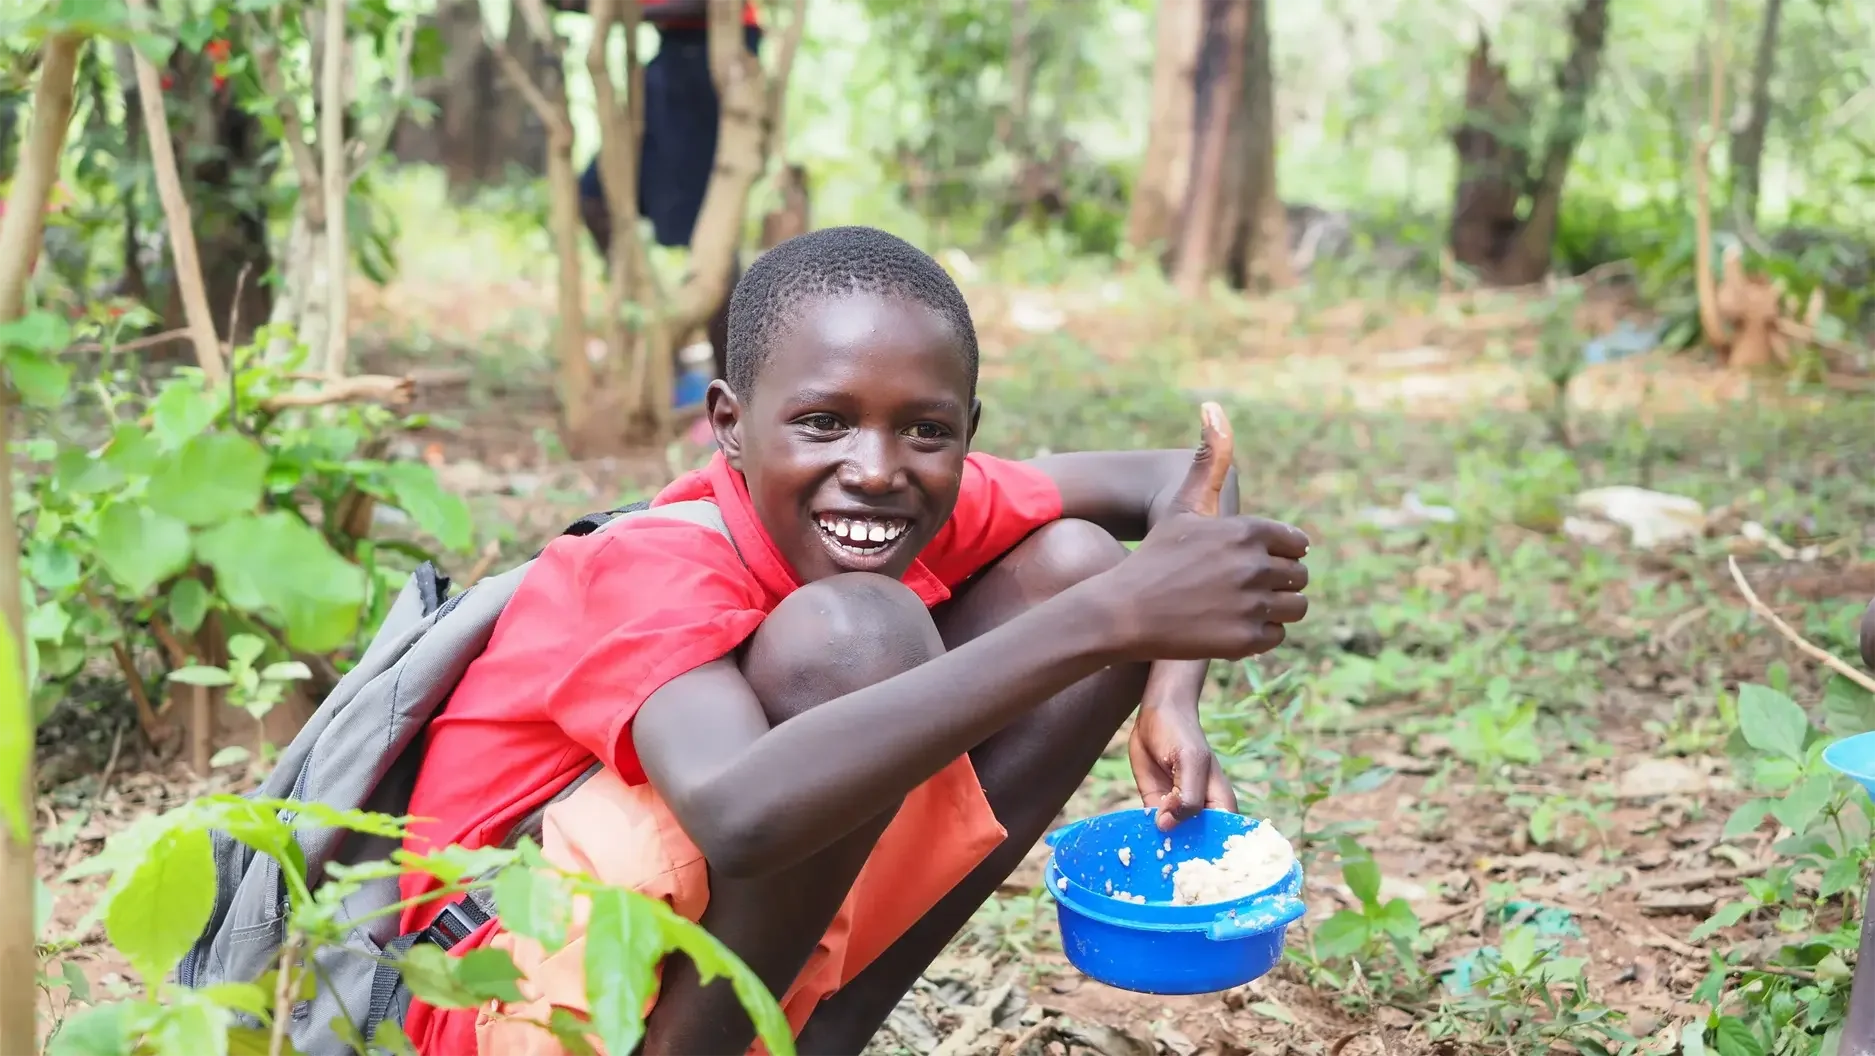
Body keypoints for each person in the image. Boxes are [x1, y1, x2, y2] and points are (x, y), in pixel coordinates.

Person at [395, 226, 1312, 1056]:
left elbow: (1173, 479)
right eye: (823, 422)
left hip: (661, 943)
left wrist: (1168, 698)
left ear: (965, 433)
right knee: (861, 632)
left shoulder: (901, 494)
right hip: (487, 997)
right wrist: (1113, 620)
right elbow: (736, 813)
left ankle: (824, 1038)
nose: (873, 471)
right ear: (728, 424)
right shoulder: (646, 566)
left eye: (925, 429)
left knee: (1073, 562)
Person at [561, 0, 762, 387]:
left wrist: (621, 9)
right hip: (671, 55)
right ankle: (655, 333)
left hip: (715, 56)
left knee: (711, 229)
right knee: (596, 196)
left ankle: (732, 388)